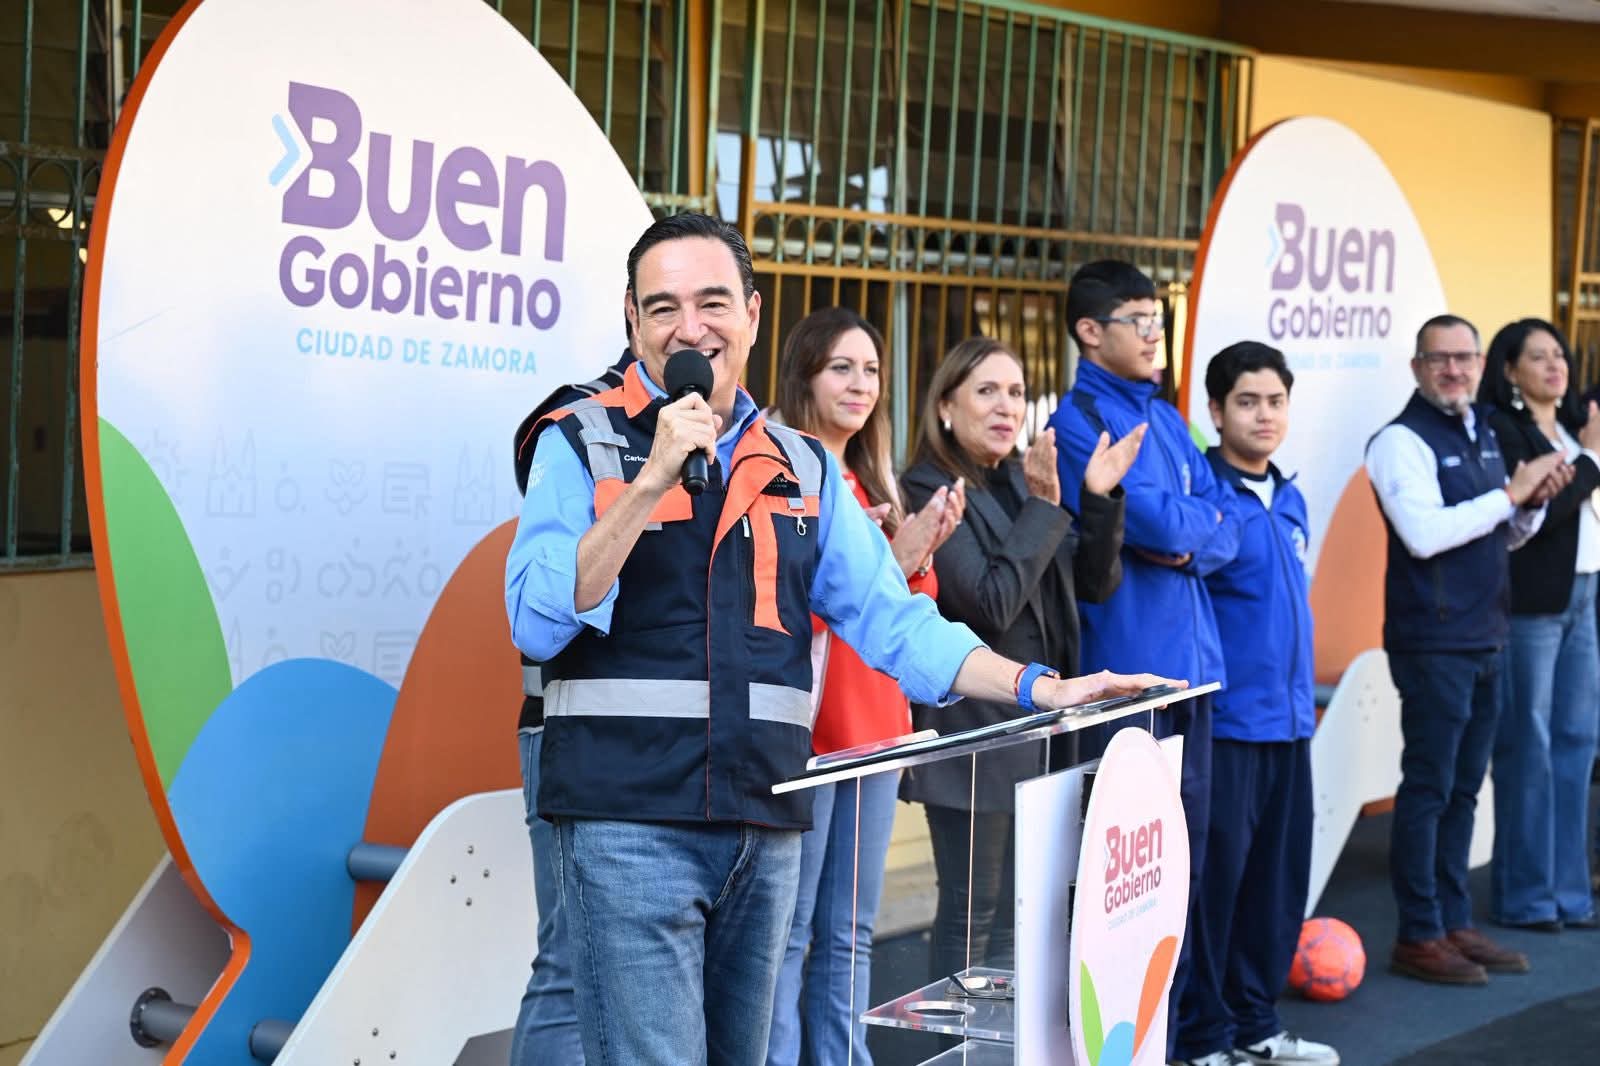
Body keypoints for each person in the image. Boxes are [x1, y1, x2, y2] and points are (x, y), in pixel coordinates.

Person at [503, 212, 1180, 1065]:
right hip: (626, 821)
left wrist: (1039, 687)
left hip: (765, 816)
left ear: (752, 313)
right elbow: (534, 619)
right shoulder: (580, 440)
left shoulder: (805, 464)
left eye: (713, 302)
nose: (690, 327)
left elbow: (895, 623)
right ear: (633, 322)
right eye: (663, 306)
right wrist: (649, 482)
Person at [901, 335, 1142, 981]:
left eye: (1015, 392)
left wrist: (1094, 498)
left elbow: (1090, 587)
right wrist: (1044, 504)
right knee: (970, 912)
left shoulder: (1019, 479)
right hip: (972, 732)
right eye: (987, 391)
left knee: (1025, 915)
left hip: (1042, 730)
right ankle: (960, 1047)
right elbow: (989, 604)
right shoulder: (928, 486)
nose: (1006, 406)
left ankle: (1008, 1046)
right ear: (946, 407)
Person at [1047, 259, 1239, 1054]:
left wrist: (1183, 541)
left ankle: (1182, 1034)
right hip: (1129, 678)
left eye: (1160, 320)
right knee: (1131, 879)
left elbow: (1220, 522)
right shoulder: (1075, 420)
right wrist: (1181, 534)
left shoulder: (1166, 415)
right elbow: (1153, 525)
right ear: (1091, 333)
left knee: (1187, 864)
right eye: (1141, 321)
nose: (1156, 335)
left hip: (1194, 666)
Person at [766, 307, 963, 1066]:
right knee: (789, 935)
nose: (860, 384)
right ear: (804, 374)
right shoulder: (782, 466)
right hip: (810, 736)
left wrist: (909, 555)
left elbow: (904, 613)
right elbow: (789, 605)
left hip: (877, 727)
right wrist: (898, 551)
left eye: (872, 370)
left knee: (849, 931)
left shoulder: (866, 475)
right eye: (840, 367)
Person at [1365, 312, 1571, 985]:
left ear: (1482, 365)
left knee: (1461, 791)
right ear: (1417, 367)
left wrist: (1530, 506)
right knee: (1428, 789)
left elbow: (1493, 534)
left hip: (1487, 634)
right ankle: (1419, 933)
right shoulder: (1398, 441)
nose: (1454, 369)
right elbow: (1424, 534)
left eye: (1465, 358)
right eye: (1440, 358)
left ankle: (1454, 923)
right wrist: (1509, 493)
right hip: (1433, 642)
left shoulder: (1480, 428)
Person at [1174, 342, 1336, 1066]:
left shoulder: (1291, 496)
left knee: (1275, 887)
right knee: (1218, 891)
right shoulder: (1204, 499)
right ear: (1215, 411)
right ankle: (1205, 1038)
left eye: (1275, 401)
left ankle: (1255, 1027)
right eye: (1247, 401)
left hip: (1291, 726)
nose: (1264, 415)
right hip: (1228, 726)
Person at [507, 347, 634, 1066]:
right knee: (568, 959)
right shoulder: (577, 429)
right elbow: (543, 610)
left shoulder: (731, 438)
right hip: (568, 732)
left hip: (667, 751)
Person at [1478, 318, 1600, 931]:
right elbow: (1532, 523)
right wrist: (1593, 461)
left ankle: (1571, 894)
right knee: (1529, 746)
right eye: (1539, 357)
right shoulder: (1506, 430)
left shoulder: (1576, 428)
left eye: (1560, 355)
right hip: (1532, 604)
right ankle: (1526, 897)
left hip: (1586, 593)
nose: (1557, 366)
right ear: (1509, 370)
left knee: (1578, 741)